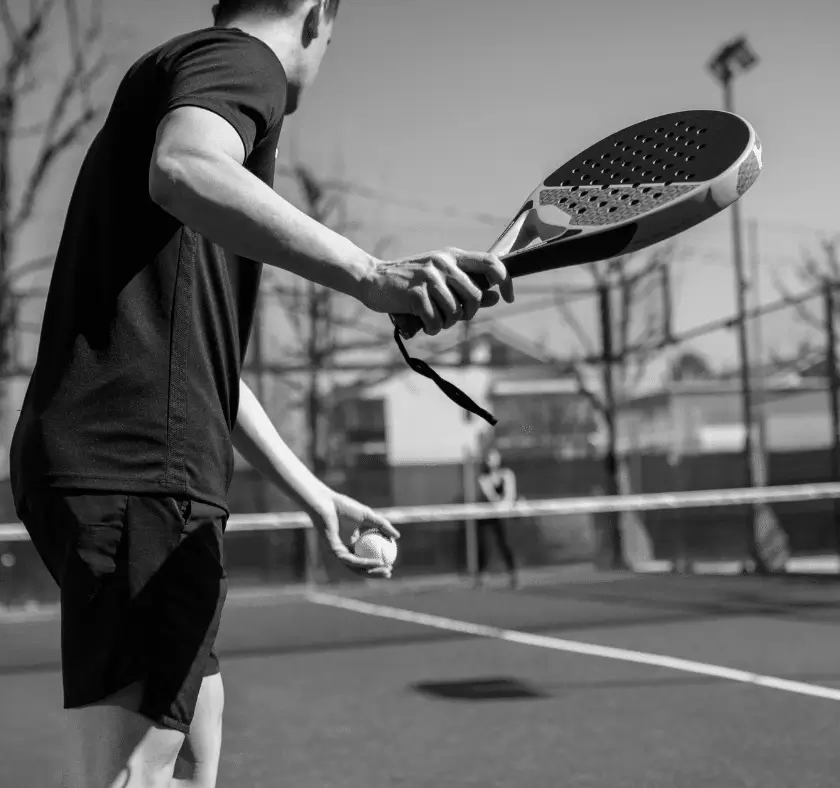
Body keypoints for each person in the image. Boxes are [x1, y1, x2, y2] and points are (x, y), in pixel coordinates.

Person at [8, 2, 513, 787]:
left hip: (115, 460)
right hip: (137, 467)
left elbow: (204, 368)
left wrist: (316, 496)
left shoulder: (184, 78)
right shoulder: (243, 64)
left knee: (193, 750)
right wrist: (374, 276)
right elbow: (183, 166)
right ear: (318, 14)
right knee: (138, 774)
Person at [475, 448, 520, 589]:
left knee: (505, 544)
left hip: (503, 515)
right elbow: (491, 497)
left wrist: (504, 507)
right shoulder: (483, 478)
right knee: (483, 545)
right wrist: (498, 503)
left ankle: (513, 576)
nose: (490, 461)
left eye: (493, 457)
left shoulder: (507, 474)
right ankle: (481, 578)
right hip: (488, 516)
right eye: (488, 458)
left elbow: (510, 495)